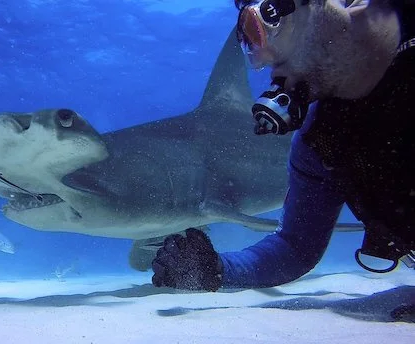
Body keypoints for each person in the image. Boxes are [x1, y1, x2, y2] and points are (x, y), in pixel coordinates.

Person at [151, 0, 415, 292]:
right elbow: (294, 248)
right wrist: (217, 269)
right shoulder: (320, 144)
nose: (261, 61)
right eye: (246, 43)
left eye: (264, 24)